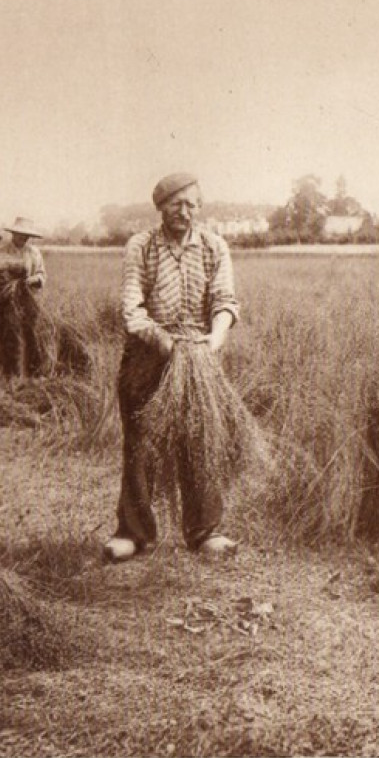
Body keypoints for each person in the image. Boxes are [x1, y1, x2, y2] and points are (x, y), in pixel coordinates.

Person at [103, 173, 241, 562]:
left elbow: (226, 302)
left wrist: (212, 342)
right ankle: (133, 532)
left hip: (198, 356)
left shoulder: (214, 246)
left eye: (192, 204)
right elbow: (132, 310)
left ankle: (205, 531)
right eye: (176, 204)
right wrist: (168, 345)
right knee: (140, 442)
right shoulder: (141, 247)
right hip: (148, 355)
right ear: (161, 206)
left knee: (199, 440)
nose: (185, 211)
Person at [0, 217, 48, 378]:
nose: (23, 238)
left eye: (26, 235)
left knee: (30, 334)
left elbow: (41, 273)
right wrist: (5, 282)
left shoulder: (34, 252)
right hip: (2, 301)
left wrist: (34, 279)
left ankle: (33, 374)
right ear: (13, 233)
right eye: (20, 234)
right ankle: (11, 375)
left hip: (27, 299)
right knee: (7, 336)